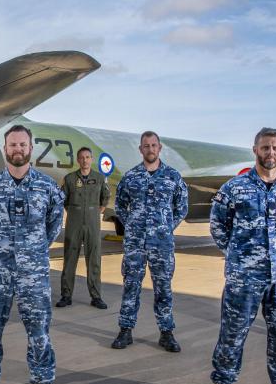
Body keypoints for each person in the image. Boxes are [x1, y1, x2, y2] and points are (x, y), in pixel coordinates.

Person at [208, 127, 276, 384]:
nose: (271, 152)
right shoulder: (234, 188)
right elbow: (218, 226)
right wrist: (238, 255)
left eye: (275, 147)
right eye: (265, 147)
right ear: (255, 150)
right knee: (232, 333)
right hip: (244, 279)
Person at [0, 125, 65, 384]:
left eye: (23, 145)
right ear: (5, 149)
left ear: (30, 149)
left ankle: (43, 383)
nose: (17, 149)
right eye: (13, 145)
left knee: (39, 330)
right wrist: (0, 250)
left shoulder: (47, 187)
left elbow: (54, 224)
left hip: (34, 274)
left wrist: (32, 251)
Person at [110, 131, 188, 353]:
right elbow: (120, 206)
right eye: (146, 146)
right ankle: (125, 330)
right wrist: (133, 226)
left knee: (163, 288)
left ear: (159, 148)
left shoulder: (172, 177)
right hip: (135, 243)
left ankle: (166, 333)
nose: (150, 149)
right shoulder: (131, 177)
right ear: (141, 149)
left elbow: (181, 208)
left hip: (161, 244)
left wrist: (164, 227)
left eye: (154, 145)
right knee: (130, 285)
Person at [56, 147, 110, 309]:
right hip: (74, 222)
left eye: (87, 157)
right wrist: (75, 212)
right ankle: (66, 295)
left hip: (93, 223)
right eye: (82, 157)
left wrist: (93, 212)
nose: (85, 160)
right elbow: (63, 199)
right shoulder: (70, 179)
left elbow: (105, 199)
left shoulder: (99, 178)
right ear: (78, 160)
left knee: (94, 260)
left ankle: (96, 296)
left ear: (91, 159)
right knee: (69, 259)